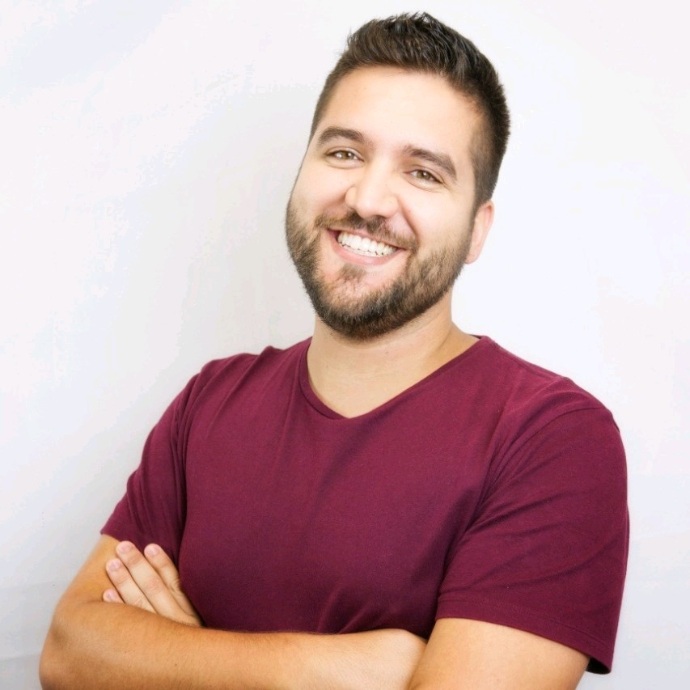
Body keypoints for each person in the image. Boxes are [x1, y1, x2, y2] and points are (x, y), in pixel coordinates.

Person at [40, 12, 628, 690]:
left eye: (424, 173)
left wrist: (171, 660)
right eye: (344, 153)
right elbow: (69, 653)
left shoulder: (551, 438)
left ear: (476, 229)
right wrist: (339, 670)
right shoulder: (210, 402)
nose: (369, 199)